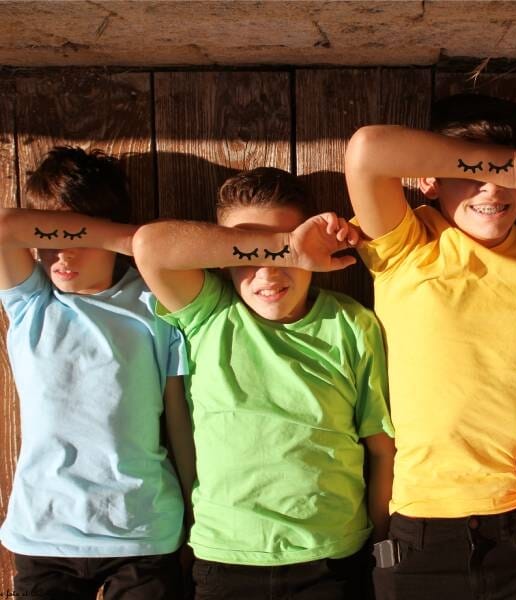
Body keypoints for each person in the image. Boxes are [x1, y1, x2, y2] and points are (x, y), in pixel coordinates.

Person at [344, 93, 516, 599]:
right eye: (473, 171)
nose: (493, 187)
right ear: (429, 180)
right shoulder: (406, 245)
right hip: (422, 525)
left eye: (506, 173)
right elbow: (367, 150)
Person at [132, 166, 395, 600]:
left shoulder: (349, 323)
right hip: (227, 556)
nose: (269, 273)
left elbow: (381, 449)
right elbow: (150, 245)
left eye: (285, 253)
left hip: (332, 556)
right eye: (249, 251)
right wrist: (289, 247)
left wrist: (379, 548)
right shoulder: (209, 315)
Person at [0, 146, 194, 599]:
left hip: (142, 529)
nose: (62, 254)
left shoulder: (154, 305)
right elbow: (3, 225)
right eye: (51, 235)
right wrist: (126, 238)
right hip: (44, 532)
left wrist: (195, 511)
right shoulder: (30, 304)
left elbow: (178, 419)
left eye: (78, 235)